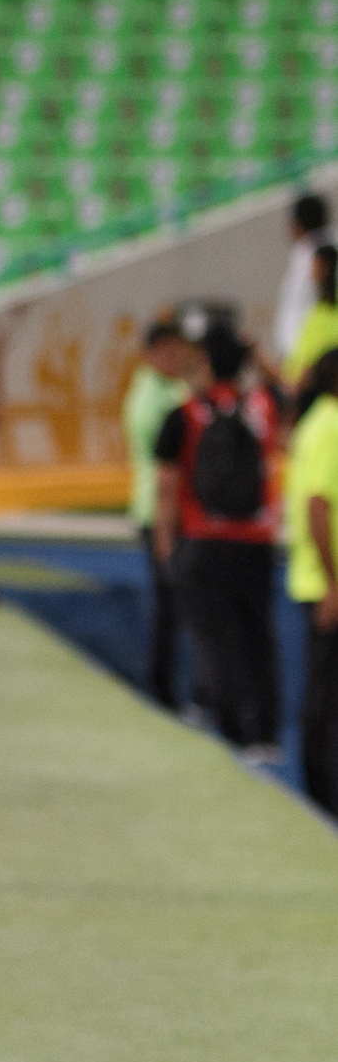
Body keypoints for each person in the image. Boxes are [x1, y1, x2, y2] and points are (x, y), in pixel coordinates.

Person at [154, 323, 282, 762]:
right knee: (259, 637)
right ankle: (266, 734)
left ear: (205, 364)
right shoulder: (263, 406)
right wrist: (256, 354)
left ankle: (232, 733)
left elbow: (167, 485)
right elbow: (288, 389)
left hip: (205, 539)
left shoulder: (187, 413)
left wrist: (164, 539)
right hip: (257, 540)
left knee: (218, 640)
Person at [122, 320, 192, 708]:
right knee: (168, 605)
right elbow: (166, 452)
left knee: (177, 605)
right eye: (171, 349)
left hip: (175, 509)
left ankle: (171, 688)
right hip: (158, 511)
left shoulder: (172, 389)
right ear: (154, 352)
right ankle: (161, 692)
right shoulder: (149, 394)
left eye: (181, 348)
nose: (179, 356)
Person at [283, 346, 338, 815]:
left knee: (324, 690)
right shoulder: (331, 425)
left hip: (317, 579)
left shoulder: (316, 422)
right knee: (326, 694)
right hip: (327, 585)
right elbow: (318, 504)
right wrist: (333, 584)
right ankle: (322, 797)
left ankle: (320, 792)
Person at [273, 192, 330, 362]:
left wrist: (288, 352)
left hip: (309, 354)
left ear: (297, 225)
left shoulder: (307, 256)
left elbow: (294, 309)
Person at [283, 244, 338, 388]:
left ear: (325, 267)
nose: (311, 271)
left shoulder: (327, 311)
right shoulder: (315, 310)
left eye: (315, 264)